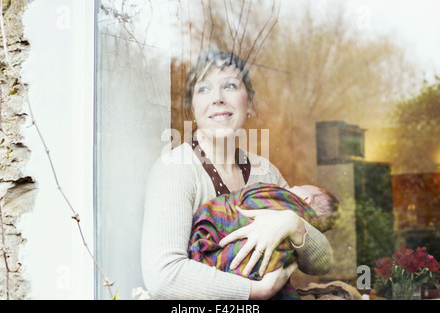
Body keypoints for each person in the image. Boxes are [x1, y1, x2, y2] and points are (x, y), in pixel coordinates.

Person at [141, 49, 334, 300]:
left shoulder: (265, 172)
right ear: (192, 106)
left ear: (250, 102)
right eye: (204, 89)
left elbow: (321, 263)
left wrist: (292, 223)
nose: (217, 98)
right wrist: (257, 291)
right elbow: (164, 276)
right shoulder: (174, 170)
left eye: (230, 85)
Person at [188, 182, 340, 299]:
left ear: (306, 199)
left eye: (298, 186)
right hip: (217, 284)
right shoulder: (186, 173)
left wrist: (293, 222)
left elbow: (323, 263)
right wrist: (263, 290)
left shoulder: (272, 178)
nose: (291, 185)